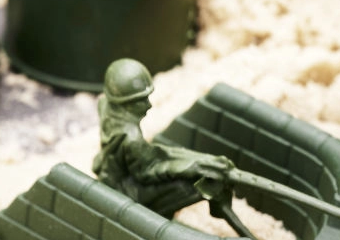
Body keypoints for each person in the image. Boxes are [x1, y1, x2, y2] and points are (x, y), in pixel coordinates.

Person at [93, 57, 235, 214]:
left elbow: (154, 157)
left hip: (109, 176)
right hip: (123, 192)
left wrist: (197, 160)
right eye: (140, 101)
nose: (149, 105)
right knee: (188, 185)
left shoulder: (105, 105)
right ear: (124, 104)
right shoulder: (131, 138)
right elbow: (147, 172)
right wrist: (192, 168)